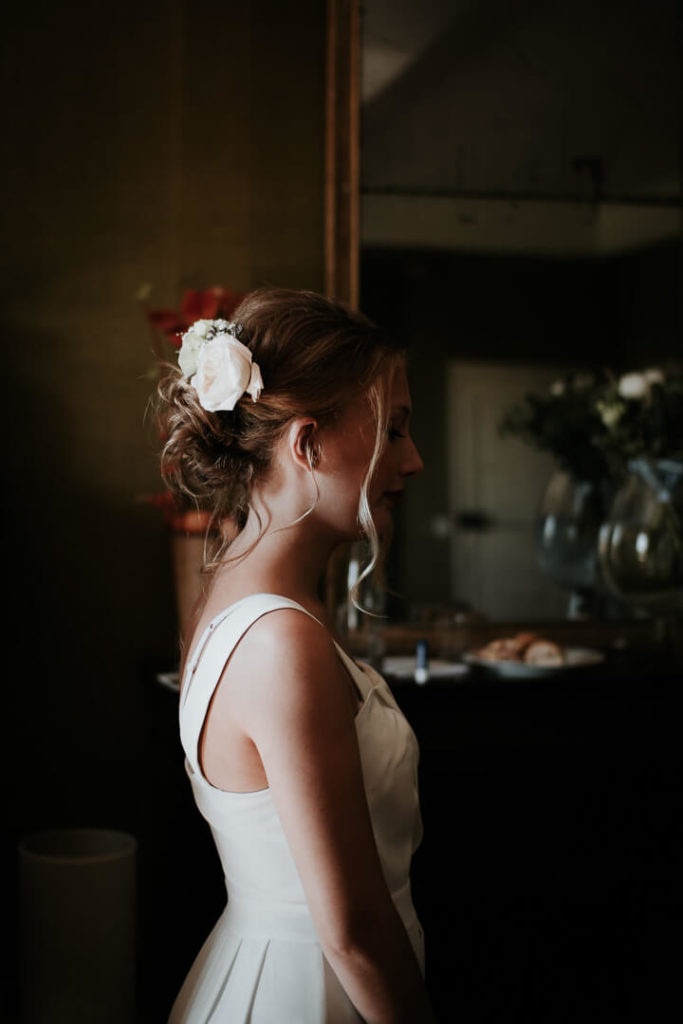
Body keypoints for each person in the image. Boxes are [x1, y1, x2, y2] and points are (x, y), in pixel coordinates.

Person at [158, 288, 433, 1023]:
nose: (411, 460)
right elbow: (352, 934)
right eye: (396, 431)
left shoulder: (226, 593)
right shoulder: (281, 641)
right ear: (306, 445)